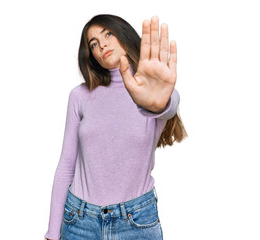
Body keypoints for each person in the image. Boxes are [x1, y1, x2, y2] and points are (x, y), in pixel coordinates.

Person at [44, 14, 188, 240]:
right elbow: (66, 165)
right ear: (91, 55)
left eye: (108, 34)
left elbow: (168, 106)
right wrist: (53, 232)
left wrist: (158, 101)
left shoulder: (153, 93)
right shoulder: (79, 96)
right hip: (79, 220)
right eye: (93, 43)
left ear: (124, 35)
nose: (101, 44)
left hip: (136, 220)